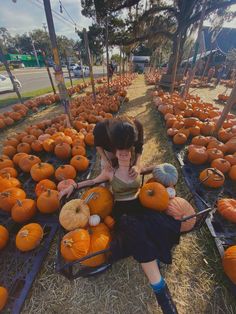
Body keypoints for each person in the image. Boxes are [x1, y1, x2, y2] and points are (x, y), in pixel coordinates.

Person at [59, 145, 180, 314]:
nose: (124, 154)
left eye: (127, 151)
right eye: (120, 150)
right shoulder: (110, 172)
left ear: (131, 153)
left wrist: (165, 168)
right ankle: (161, 293)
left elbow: (149, 169)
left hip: (140, 207)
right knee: (135, 232)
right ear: (115, 152)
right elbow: (93, 182)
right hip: (122, 213)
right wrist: (74, 186)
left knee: (157, 223)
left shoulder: (135, 169)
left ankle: (155, 258)